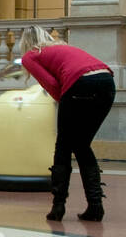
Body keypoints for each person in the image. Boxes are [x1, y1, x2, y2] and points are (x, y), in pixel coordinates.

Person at [18, 26, 115, 222]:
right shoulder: (61, 47)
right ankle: (95, 206)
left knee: (63, 145)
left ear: (25, 43)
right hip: (106, 81)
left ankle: (58, 206)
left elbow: (53, 86)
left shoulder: (31, 55)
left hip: (79, 84)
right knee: (81, 145)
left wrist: (66, 105)